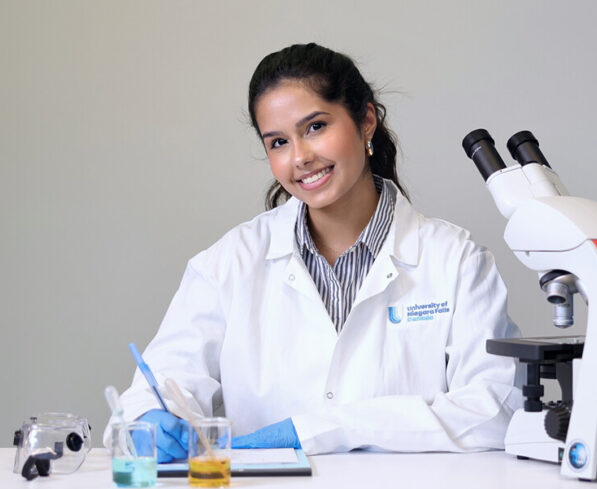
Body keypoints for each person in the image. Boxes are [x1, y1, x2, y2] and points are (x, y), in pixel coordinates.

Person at [104, 43, 522, 462]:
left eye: (316, 127)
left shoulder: (456, 260)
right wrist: (148, 420)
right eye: (279, 142)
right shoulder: (228, 264)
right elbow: (155, 390)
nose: (300, 157)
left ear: (366, 121)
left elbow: (494, 411)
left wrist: (327, 429)